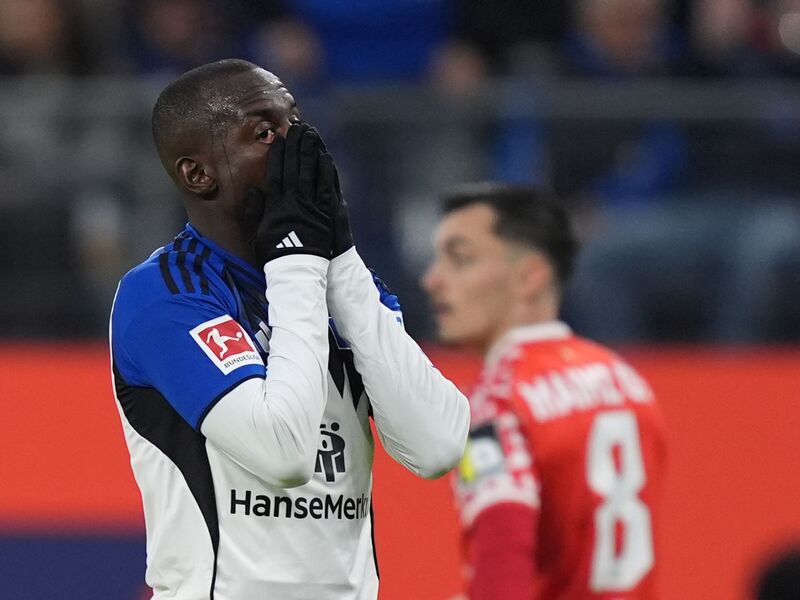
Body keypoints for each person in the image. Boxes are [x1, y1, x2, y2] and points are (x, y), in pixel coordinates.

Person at [109, 58, 470, 599]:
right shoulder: (164, 295)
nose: (297, 150)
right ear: (198, 173)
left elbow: (438, 445)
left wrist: (341, 257)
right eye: (264, 133)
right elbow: (283, 454)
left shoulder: (341, 284)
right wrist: (298, 260)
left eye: (296, 123)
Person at [422, 183, 666, 599]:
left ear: (529, 276)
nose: (432, 280)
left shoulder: (493, 404)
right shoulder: (627, 384)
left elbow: (502, 566)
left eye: (459, 259)